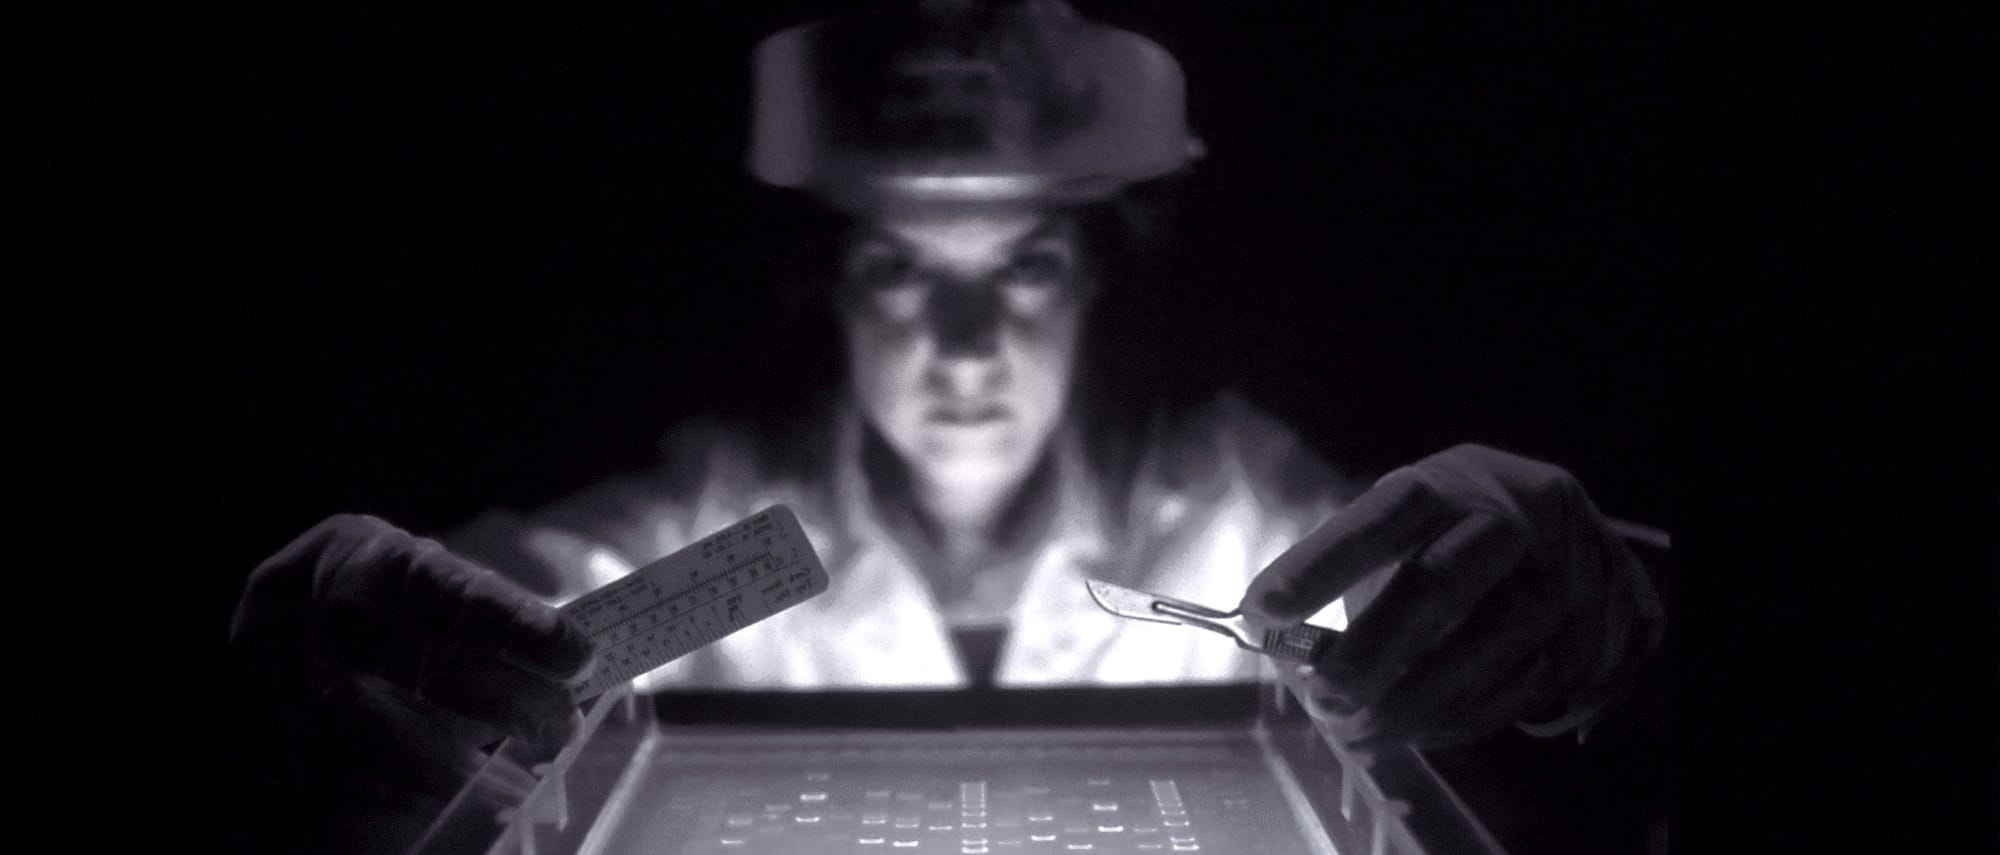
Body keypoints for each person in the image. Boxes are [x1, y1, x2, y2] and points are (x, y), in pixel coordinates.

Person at [228, 1, 1665, 850]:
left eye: (1023, 269)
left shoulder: (1258, 524)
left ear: (1099, 278)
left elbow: (1534, 651)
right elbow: (446, 640)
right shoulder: (674, 544)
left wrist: (1619, 625)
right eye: (903, 269)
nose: (965, 345)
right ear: (828, 283)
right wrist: (291, 704)